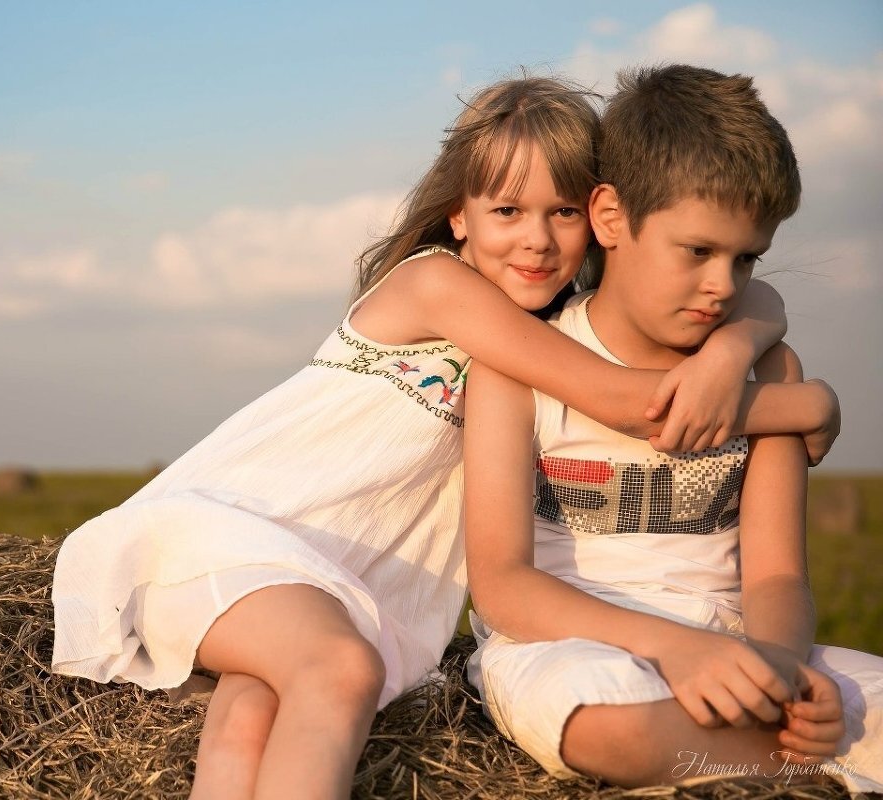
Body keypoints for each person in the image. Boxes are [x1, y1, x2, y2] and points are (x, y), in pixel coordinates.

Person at [52, 76, 839, 800]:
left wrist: (738, 345)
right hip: (244, 529)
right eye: (506, 211)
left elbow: (752, 288)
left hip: (333, 569)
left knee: (253, 710)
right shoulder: (438, 284)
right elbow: (628, 402)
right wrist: (804, 404)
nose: (535, 240)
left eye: (561, 213)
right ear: (458, 214)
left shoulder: (539, 329)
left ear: (598, 222)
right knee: (337, 671)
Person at [463, 64, 882, 793]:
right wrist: (678, 652)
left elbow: (778, 573)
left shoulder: (771, 372)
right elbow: (503, 588)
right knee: (611, 729)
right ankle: (815, 762)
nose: (724, 285)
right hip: (569, 644)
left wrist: (781, 674)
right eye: (698, 252)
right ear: (611, 217)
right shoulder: (520, 366)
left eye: (746, 257)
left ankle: (789, 743)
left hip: (739, 644)